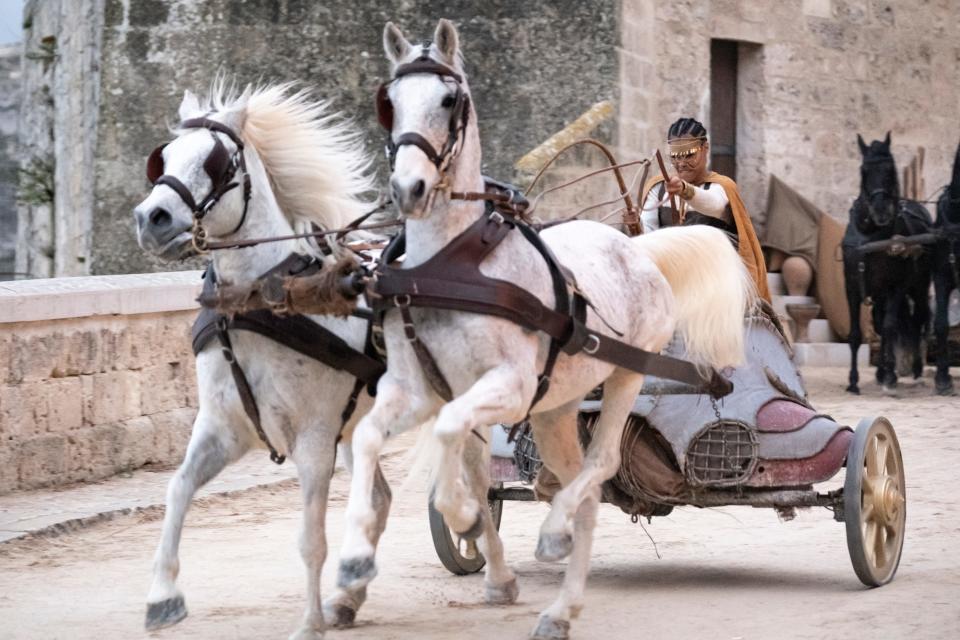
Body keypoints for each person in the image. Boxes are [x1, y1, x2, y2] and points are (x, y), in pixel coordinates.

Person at [640, 117, 770, 301]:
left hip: (713, 282)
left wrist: (685, 190)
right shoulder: (658, 187)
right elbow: (648, 230)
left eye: (690, 154)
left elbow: (714, 204)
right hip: (669, 279)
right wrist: (635, 228)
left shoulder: (722, 187)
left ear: (705, 149)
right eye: (676, 157)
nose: (682, 163)